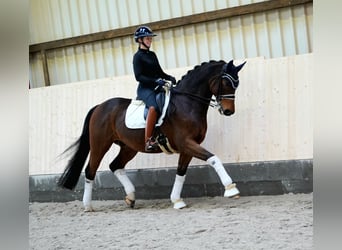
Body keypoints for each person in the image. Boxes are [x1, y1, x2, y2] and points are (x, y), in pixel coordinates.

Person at [133, 26, 177, 151]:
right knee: (154, 107)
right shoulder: (137, 57)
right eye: (147, 38)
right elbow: (139, 76)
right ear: (140, 40)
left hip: (157, 86)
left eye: (150, 38)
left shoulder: (152, 55)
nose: (150, 40)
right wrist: (155, 80)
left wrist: (169, 77)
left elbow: (159, 72)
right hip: (145, 89)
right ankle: (148, 141)